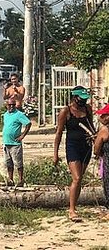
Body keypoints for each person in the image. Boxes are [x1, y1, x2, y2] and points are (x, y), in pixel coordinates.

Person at [53, 86, 95, 222]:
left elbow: (91, 126)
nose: (83, 101)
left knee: (80, 178)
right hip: (72, 146)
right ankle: (71, 210)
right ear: (74, 97)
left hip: (86, 146)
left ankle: (74, 205)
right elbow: (59, 133)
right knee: (76, 178)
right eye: (80, 98)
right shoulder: (66, 111)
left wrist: (95, 138)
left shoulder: (87, 109)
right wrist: (55, 154)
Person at [2, 98, 31, 187]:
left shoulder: (19, 114)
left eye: (13, 105)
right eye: (9, 105)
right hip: (7, 143)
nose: (11, 107)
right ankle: (10, 179)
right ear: (7, 106)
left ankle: (21, 180)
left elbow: (28, 123)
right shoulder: (5, 115)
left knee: (18, 163)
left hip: (15, 144)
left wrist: (22, 136)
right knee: (8, 163)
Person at [93, 103, 109, 207]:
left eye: (103, 115)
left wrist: (95, 140)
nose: (100, 117)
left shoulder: (104, 130)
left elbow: (96, 150)